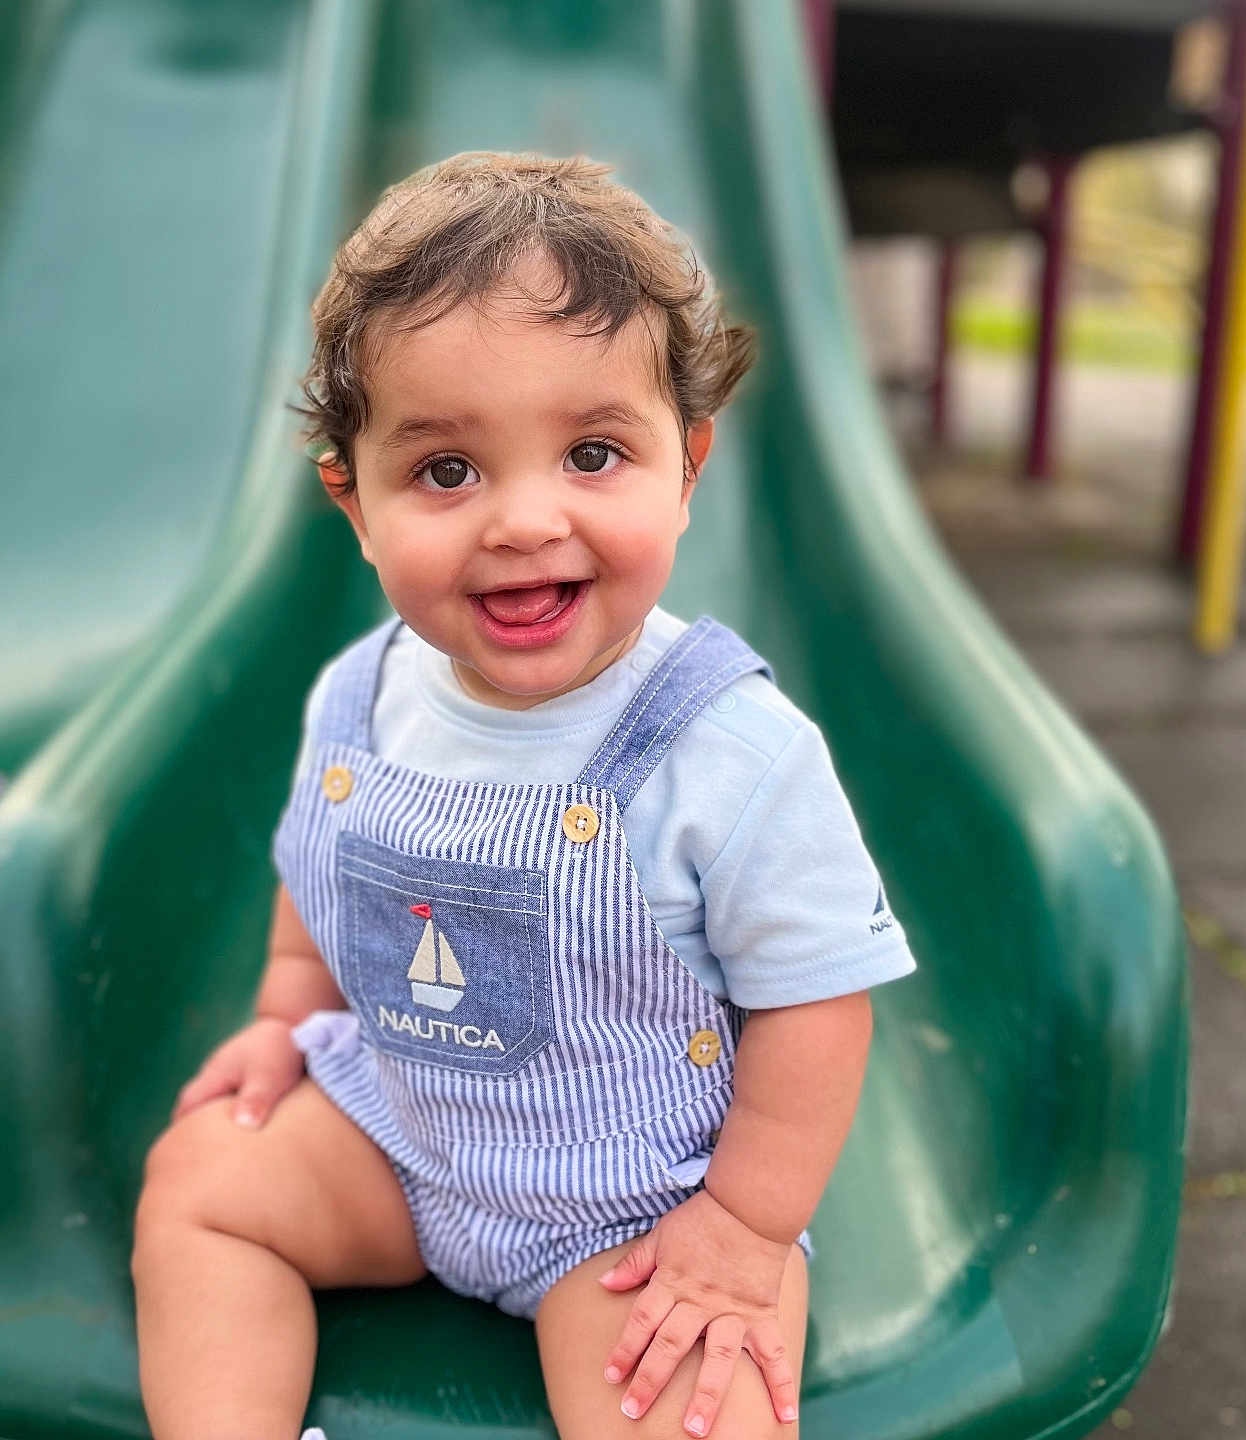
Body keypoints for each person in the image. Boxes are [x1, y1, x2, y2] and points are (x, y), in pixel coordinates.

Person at [131, 152, 916, 1440]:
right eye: (446, 473)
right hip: (403, 1140)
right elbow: (313, 878)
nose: (523, 519)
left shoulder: (731, 749)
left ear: (690, 461)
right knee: (198, 1187)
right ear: (355, 500)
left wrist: (744, 1223)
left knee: (693, 1405)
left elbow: (818, 1002)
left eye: (594, 453)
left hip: (637, 1208)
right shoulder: (360, 699)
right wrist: (286, 1019)